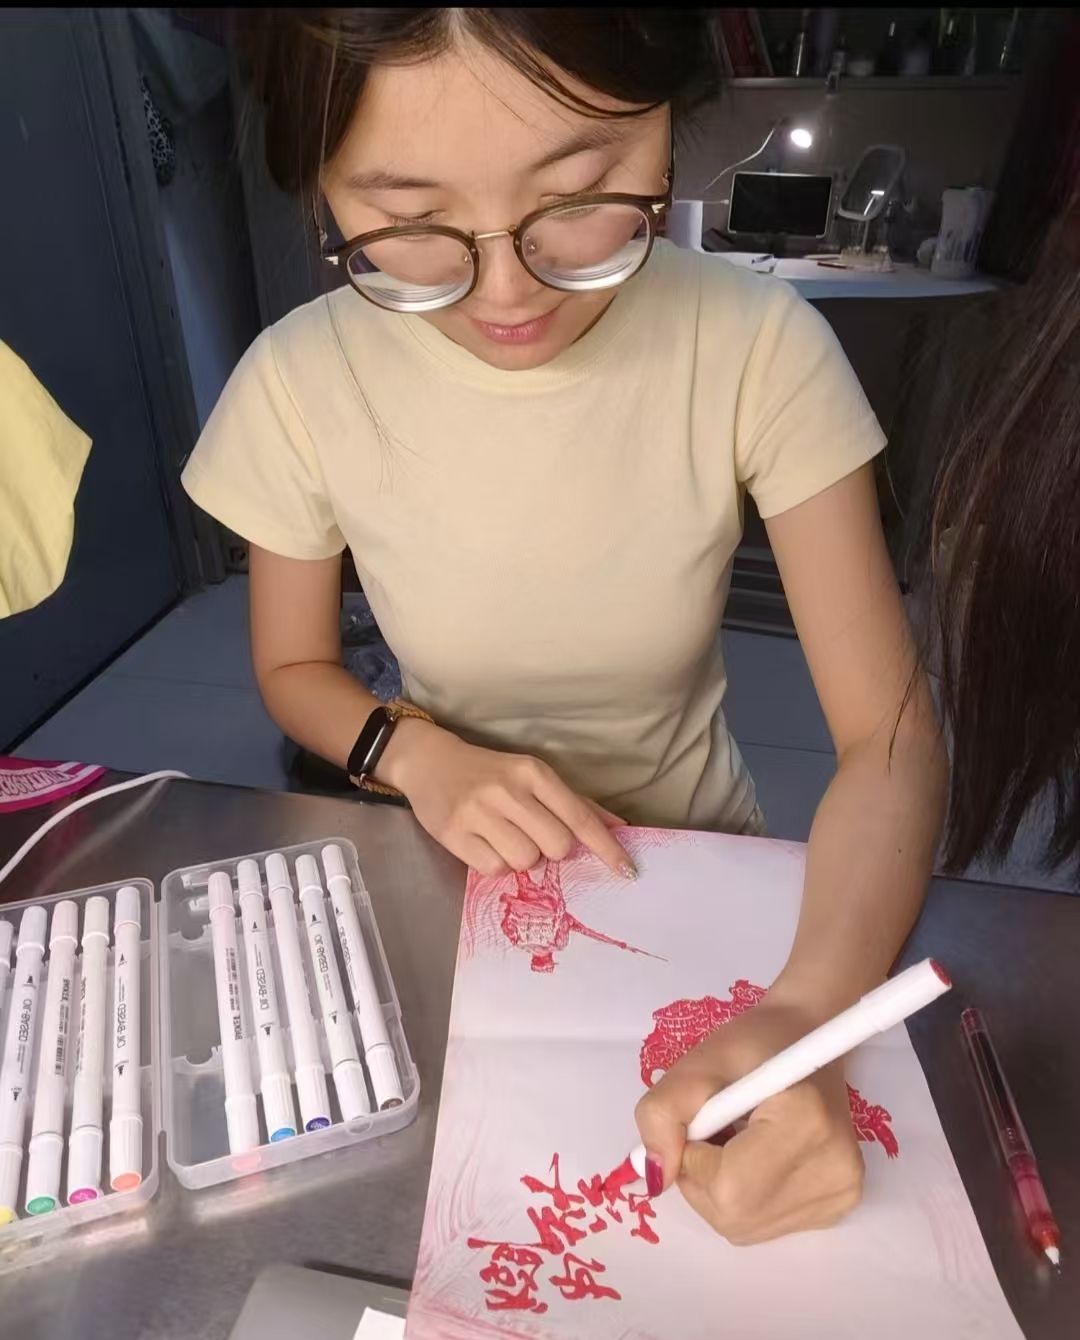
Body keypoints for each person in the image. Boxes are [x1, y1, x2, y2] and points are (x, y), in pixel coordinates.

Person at [182, 9, 947, 1245]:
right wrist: (417, 754)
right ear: (319, 187)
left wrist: (803, 1010)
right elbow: (294, 665)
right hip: (455, 881)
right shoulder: (300, 379)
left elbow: (892, 737)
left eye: (580, 195)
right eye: (409, 220)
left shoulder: (754, 346)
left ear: (668, 127)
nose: (508, 291)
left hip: (699, 870)